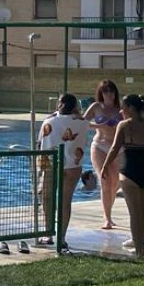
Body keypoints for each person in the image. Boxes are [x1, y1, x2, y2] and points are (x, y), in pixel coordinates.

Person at [101, 95, 144, 258]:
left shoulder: (124, 126)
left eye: (123, 107)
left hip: (129, 173)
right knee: (143, 211)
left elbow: (114, 149)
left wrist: (105, 166)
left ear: (131, 108)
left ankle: (139, 250)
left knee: (134, 213)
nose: (121, 111)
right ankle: (141, 248)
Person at [37, 94, 88, 251]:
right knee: (65, 201)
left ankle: (48, 232)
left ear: (59, 105)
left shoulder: (49, 121)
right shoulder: (83, 123)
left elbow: (41, 144)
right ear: (75, 107)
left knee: (47, 198)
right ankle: (62, 237)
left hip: (51, 163)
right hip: (73, 164)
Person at [84, 80, 122, 230]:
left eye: (111, 91)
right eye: (106, 91)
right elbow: (82, 123)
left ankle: (108, 212)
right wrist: (98, 125)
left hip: (117, 147)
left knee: (115, 183)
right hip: (100, 146)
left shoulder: (120, 108)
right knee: (105, 180)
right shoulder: (96, 107)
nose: (109, 94)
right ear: (101, 93)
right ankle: (107, 218)